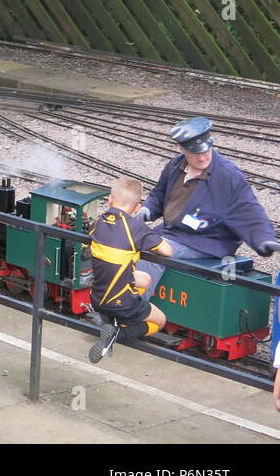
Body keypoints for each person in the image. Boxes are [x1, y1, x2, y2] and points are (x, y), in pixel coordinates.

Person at [136, 117, 280, 287]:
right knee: (128, 241)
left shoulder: (228, 176)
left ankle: (133, 310)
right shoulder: (175, 166)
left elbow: (249, 211)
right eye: (195, 154)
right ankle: (112, 298)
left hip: (206, 240)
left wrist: (263, 238)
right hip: (175, 232)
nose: (203, 158)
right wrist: (148, 208)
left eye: (206, 151)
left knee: (154, 251)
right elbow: (159, 194)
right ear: (182, 149)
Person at [89, 176, 175, 364]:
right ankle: (118, 333)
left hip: (96, 297)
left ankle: (112, 321)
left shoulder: (97, 222)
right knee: (160, 320)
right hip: (122, 302)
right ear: (137, 208)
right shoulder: (137, 228)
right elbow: (167, 251)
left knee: (145, 279)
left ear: (110, 200)